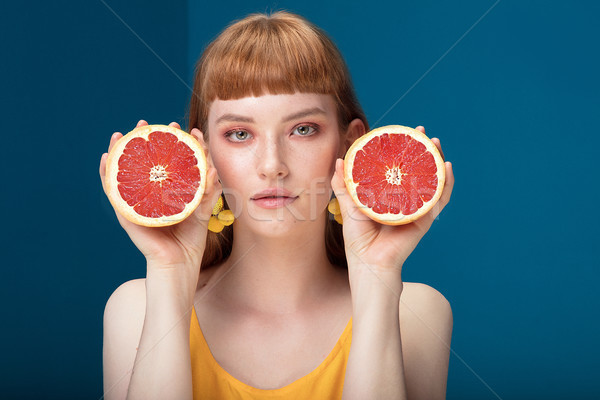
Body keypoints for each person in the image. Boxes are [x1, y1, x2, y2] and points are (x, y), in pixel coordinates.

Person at [100, 11, 455, 400]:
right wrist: (169, 272)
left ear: (348, 144)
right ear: (202, 153)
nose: (272, 166)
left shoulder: (416, 314)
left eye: (303, 129)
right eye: (239, 134)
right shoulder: (136, 308)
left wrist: (377, 277)